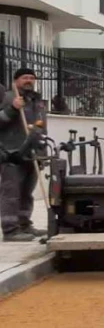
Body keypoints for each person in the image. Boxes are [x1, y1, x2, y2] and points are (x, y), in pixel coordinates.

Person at [0, 68, 48, 242]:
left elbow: (41, 128)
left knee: (27, 193)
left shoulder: (37, 100)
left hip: (32, 154)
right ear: (16, 80)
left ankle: (25, 224)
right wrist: (12, 108)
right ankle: (10, 230)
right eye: (25, 77)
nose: (29, 80)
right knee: (11, 193)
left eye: (31, 78)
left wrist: (42, 153)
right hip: (12, 154)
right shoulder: (7, 97)